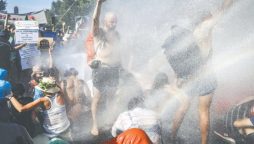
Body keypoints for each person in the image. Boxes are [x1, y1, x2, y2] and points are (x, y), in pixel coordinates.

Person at [162, 0, 235, 143]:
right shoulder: (206, 27)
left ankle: (171, 137)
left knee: (183, 107)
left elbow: (184, 56)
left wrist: (178, 76)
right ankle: (203, 142)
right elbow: (222, 12)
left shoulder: (190, 33)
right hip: (206, 75)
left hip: (190, 76)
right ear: (205, 17)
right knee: (203, 111)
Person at [88, 0, 121, 135]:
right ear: (105, 22)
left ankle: (109, 120)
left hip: (114, 69)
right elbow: (94, 19)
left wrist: (122, 66)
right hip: (101, 70)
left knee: (112, 97)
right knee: (97, 98)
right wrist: (99, 4)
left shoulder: (117, 35)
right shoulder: (99, 33)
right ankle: (95, 125)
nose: (113, 23)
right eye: (111, 21)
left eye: (115, 21)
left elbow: (119, 52)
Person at [7, 77, 72, 142]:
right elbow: (58, 88)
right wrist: (52, 82)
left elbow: (21, 108)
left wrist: (10, 96)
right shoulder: (60, 94)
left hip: (53, 134)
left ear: (43, 90)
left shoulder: (44, 100)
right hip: (66, 130)